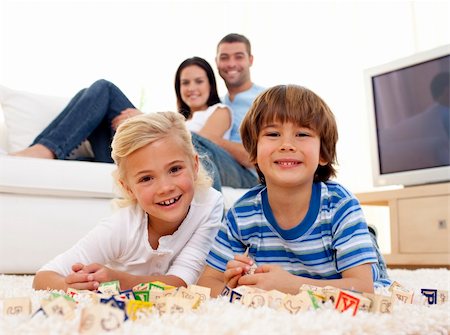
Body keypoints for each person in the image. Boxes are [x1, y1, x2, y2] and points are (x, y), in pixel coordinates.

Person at [197, 85, 391, 297]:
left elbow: (364, 289)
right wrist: (236, 287)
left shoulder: (340, 205)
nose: (287, 144)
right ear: (252, 152)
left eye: (302, 134)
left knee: (376, 275)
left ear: (323, 154)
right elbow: (207, 283)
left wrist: (290, 285)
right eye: (273, 134)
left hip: (343, 269)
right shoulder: (241, 213)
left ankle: (366, 236)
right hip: (289, 275)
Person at [12, 33, 265, 190]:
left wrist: (145, 120)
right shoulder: (202, 111)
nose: (192, 88)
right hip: (147, 156)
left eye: (199, 81)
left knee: (104, 89)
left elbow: (198, 144)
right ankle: (44, 151)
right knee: (88, 95)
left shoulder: (222, 109)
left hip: (207, 164)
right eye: (185, 83)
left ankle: (45, 150)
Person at [32, 111, 224, 291]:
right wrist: (76, 287)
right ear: (128, 188)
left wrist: (119, 279)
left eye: (174, 169)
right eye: (146, 178)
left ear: (195, 165)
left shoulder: (209, 204)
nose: (165, 188)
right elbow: (43, 277)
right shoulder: (120, 227)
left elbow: (181, 283)